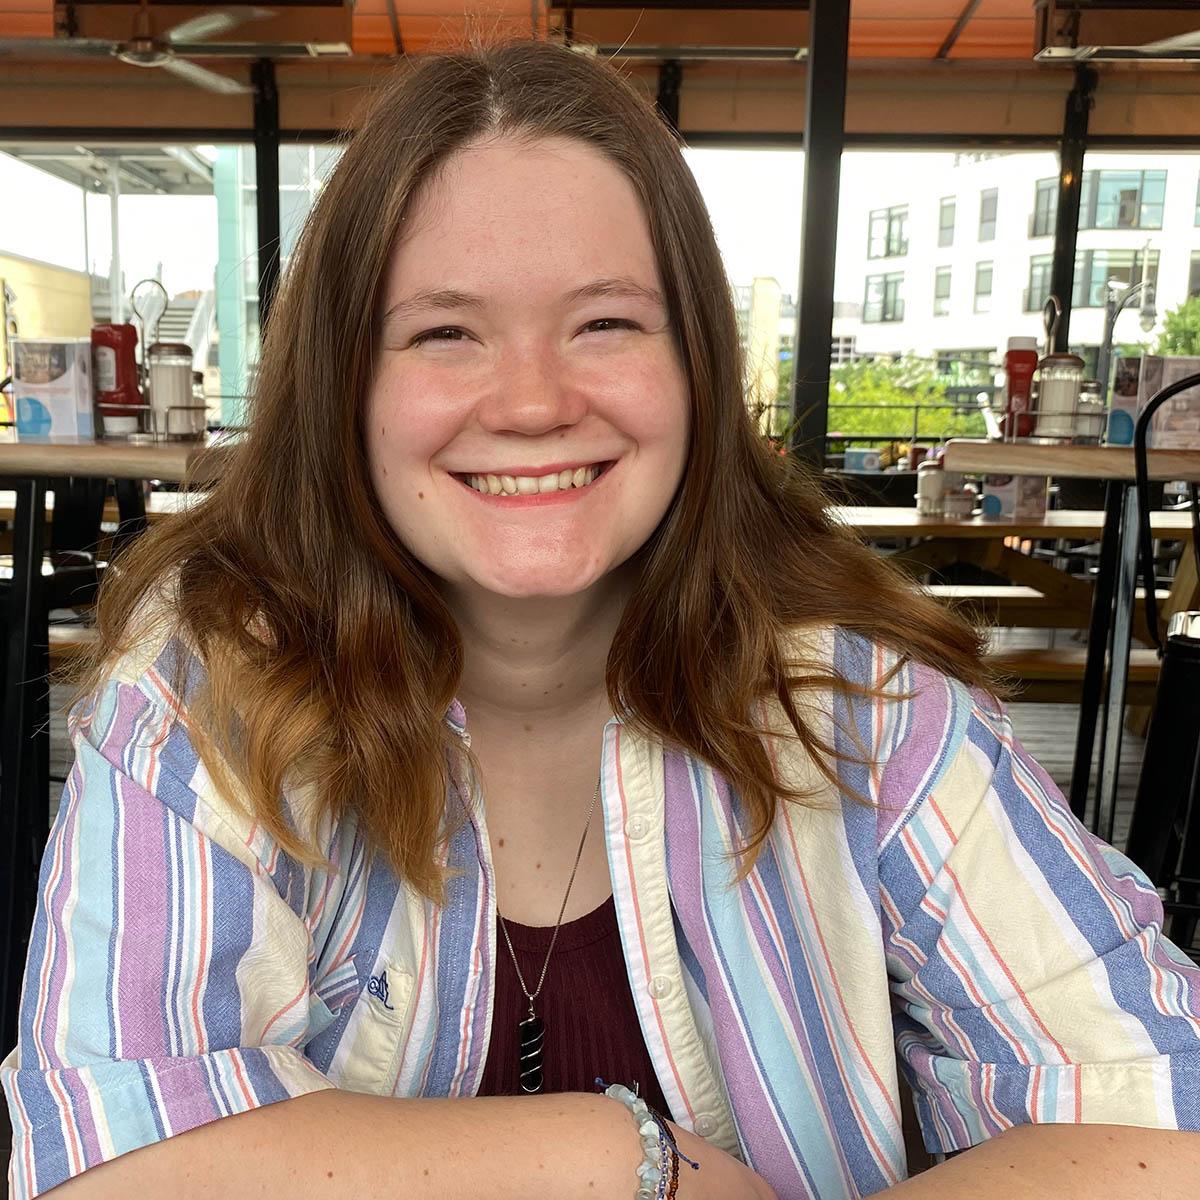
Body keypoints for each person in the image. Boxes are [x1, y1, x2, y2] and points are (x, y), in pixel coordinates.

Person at [3, 37, 1200, 1200]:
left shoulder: (864, 706)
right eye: (444, 331)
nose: (531, 400)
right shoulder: (208, 695)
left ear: (697, 371)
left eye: (607, 322)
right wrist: (625, 1163)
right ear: (343, 386)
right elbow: (99, 1162)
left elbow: (1167, 1108)